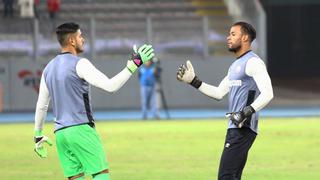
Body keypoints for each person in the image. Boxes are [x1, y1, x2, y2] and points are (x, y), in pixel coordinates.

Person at [33, 22, 154, 180]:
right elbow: (111, 86)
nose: (83, 39)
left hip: (61, 135)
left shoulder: (48, 69)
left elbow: (41, 106)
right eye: (80, 36)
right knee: (100, 175)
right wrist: (134, 64)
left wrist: (38, 135)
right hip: (81, 129)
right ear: (71, 41)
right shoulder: (80, 64)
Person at [177, 21, 273, 179]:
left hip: (243, 128)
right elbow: (218, 92)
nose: (228, 38)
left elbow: (268, 93)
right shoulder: (236, 65)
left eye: (233, 34)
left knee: (226, 176)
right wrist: (193, 81)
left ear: (245, 38)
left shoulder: (253, 62)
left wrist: (244, 113)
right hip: (236, 127)